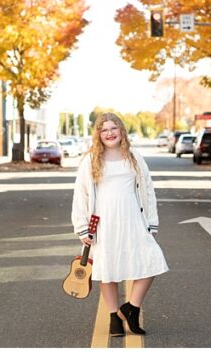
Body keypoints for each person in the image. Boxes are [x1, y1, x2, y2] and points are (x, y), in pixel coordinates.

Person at [71, 113, 168, 337]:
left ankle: (131, 307)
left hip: (133, 219)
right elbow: (81, 195)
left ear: (121, 131)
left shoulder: (133, 156)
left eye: (113, 128)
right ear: (98, 134)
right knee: (109, 270)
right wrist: (82, 228)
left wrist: (152, 223)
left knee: (152, 260)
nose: (109, 133)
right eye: (104, 130)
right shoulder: (91, 159)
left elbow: (148, 189)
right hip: (103, 222)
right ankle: (114, 317)